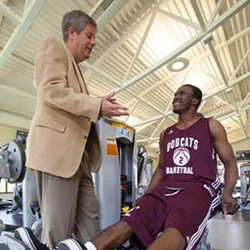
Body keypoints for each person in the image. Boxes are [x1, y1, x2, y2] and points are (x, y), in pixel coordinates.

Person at [17, 84, 238, 250]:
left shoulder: (210, 126)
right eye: (176, 93)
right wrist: (148, 196)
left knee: (177, 228)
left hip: (198, 188)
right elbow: (161, 168)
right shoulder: (166, 133)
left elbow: (229, 163)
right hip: (166, 188)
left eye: (182, 94)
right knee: (129, 220)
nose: (176, 97)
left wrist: (227, 193)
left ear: (195, 101)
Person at [24, 10, 129, 249]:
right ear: (72, 33)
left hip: (80, 160)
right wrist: (95, 105)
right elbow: (51, 90)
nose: (94, 42)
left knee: (90, 228)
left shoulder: (77, 69)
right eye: (89, 35)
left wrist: (98, 102)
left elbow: (72, 102)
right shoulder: (54, 47)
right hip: (58, 156)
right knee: (57, 230)